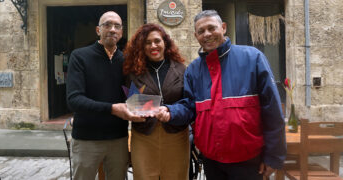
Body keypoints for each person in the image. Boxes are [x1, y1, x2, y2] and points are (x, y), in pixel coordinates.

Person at [156, 10, 287, 180]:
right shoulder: (193, 70)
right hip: (212, 161)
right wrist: (170, 111)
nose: (207, 34)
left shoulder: (253, 58)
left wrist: (273, 157)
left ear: (223, 27)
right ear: (196, 36)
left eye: (212, 28)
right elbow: (190, 106)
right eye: (201, 31)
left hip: (248, 160)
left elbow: (273, 111)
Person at [66, 11, 144, 180]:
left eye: (117, 26)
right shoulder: (80, 56)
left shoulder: (126, 60)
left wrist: (144, 108)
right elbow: (74, 100)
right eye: (107, 25)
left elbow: (131, 96)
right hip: (87, 139)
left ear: (122, 32)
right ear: (97, 30)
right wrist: (112, 109)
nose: (112, 29)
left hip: (118, 139)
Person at [123, 23, 190, 180]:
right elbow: (125, 100)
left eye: (157, 41)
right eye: (147, 42)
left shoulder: (181, 69)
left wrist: (171, 111)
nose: (153, 46)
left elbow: (189, 102)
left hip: (176, 136)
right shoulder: (132, 72)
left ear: (165, 42)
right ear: (142, 46)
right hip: (143, 136)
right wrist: (129, 111)